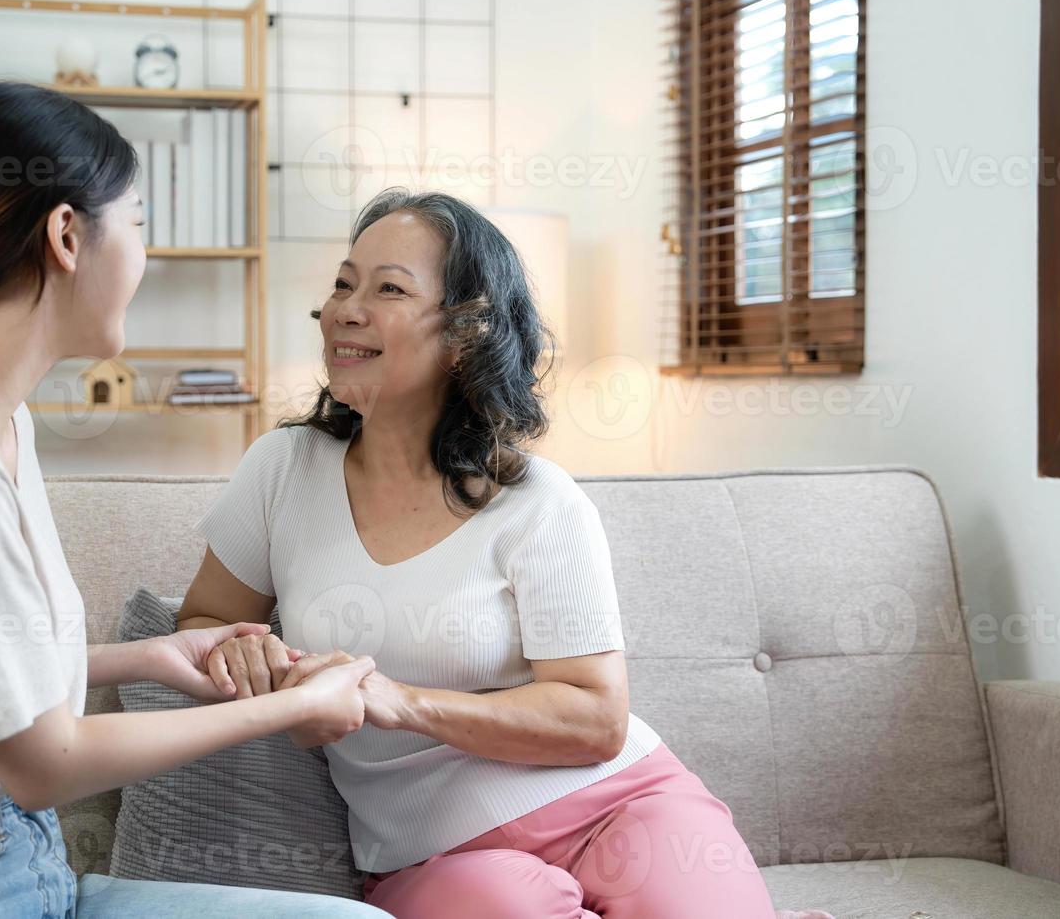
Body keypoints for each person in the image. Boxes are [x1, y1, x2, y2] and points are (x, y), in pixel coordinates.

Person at [0, 80, 391, 919]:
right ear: (66, 235)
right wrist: (294, 708)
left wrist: (142, 661)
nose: (143, 255)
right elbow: (44, 762)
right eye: (135, 222)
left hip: (14, 864)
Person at [176, 188, 784, 917]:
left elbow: (595, 718)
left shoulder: (539, 501)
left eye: (388, 289)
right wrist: (242, 651)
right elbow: (202, 621)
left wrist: (401, 704)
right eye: (343, 283)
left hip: (620, 803)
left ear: (465, 335)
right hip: (432, 855)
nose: (345, 308)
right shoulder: (283, 469)